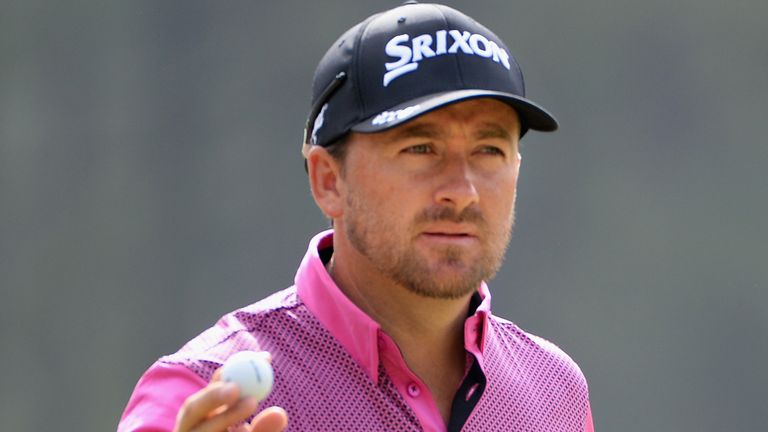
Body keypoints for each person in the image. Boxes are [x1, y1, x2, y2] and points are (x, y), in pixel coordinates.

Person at [118, 2, 594, 431]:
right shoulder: (204, 394)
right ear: (329, 180)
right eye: (420, 148)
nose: (461, 192)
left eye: (489, 149)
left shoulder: (554, 391)